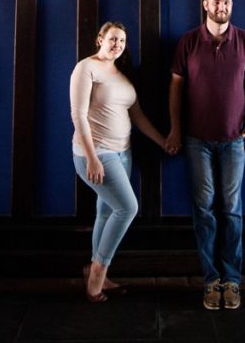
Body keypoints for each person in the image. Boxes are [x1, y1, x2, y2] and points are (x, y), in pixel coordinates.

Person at [165, 0, 245, 311]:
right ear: (205, 5)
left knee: (232, 210)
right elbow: (176, 88)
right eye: (216, 2)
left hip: (235, 141)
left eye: (226, 3)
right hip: (197, 141)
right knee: (204, 210)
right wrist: (176, 129)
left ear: (231, 6)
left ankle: (232, 280)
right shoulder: (189, 42)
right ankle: (211, 281)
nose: (221, 7)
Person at [70, 21, 173, 302]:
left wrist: (163, 141)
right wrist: (92, 158)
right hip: (96, 154)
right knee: (128, 208)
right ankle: (96, 276)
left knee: (105, 213)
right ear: (99, 39)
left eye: (122, 41)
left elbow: (137, 116)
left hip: (123, 153)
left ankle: (95, 268)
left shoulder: (121, 75)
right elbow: (78, 116)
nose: (117, 45)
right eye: (113, 39)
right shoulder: (86, 68)